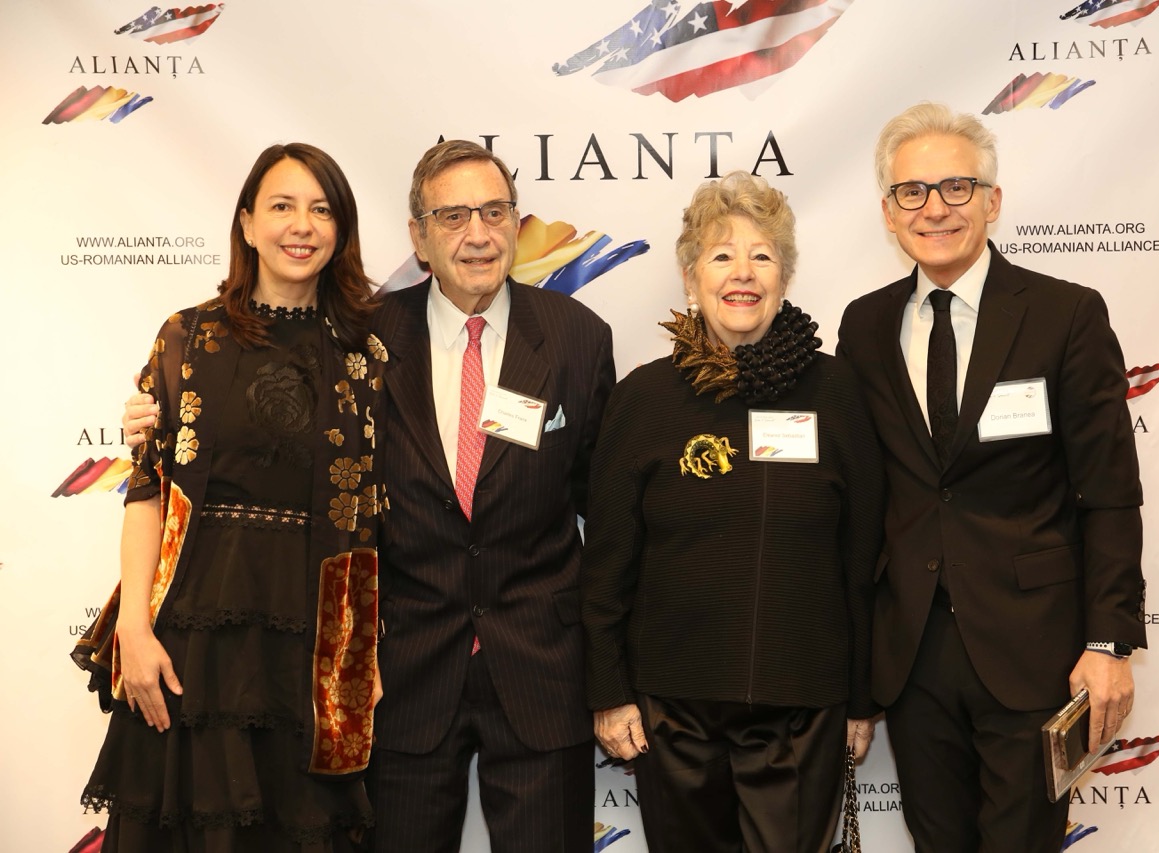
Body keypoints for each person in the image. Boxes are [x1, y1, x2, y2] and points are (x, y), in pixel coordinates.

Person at [836, 103, 1146, 851]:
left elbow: (1108, 490)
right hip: (912, 655)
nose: (935, 207)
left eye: (956, 186)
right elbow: (859, 496)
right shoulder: (863, 326)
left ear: (992, 200)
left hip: (1036, 649)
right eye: (912, 191)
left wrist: (1109, 643)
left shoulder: (1065, 314)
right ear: (888, 212)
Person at [75, 142, 385, 850]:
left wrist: (366, 650)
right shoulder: (188, 338)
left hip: (310, 641)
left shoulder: (365, 355)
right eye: (282, 206)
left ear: (341, 229)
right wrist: (134, 630)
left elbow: (373, 516)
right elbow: (147, 494)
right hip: (194, 635)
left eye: (321, 209)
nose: (301, 225)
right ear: (247, 223)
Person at [582, 171, 884, 853]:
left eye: (762, 255)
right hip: (672, 711)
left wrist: (862, 698)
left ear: (785, 277)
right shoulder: (643, 399)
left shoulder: (837, 393)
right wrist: (609, 691)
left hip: (803, 708)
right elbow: (607, 565)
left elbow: (863, 558)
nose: (742, 273)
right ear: (691, 278)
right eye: (722, 255)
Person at [363, 140, 614, 852]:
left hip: (542, 672)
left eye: (494, 212)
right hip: (405, 675)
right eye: (453, 216)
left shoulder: (576, 338)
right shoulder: (365, 339)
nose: (478, 233)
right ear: (419, 238)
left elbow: (607, 511)